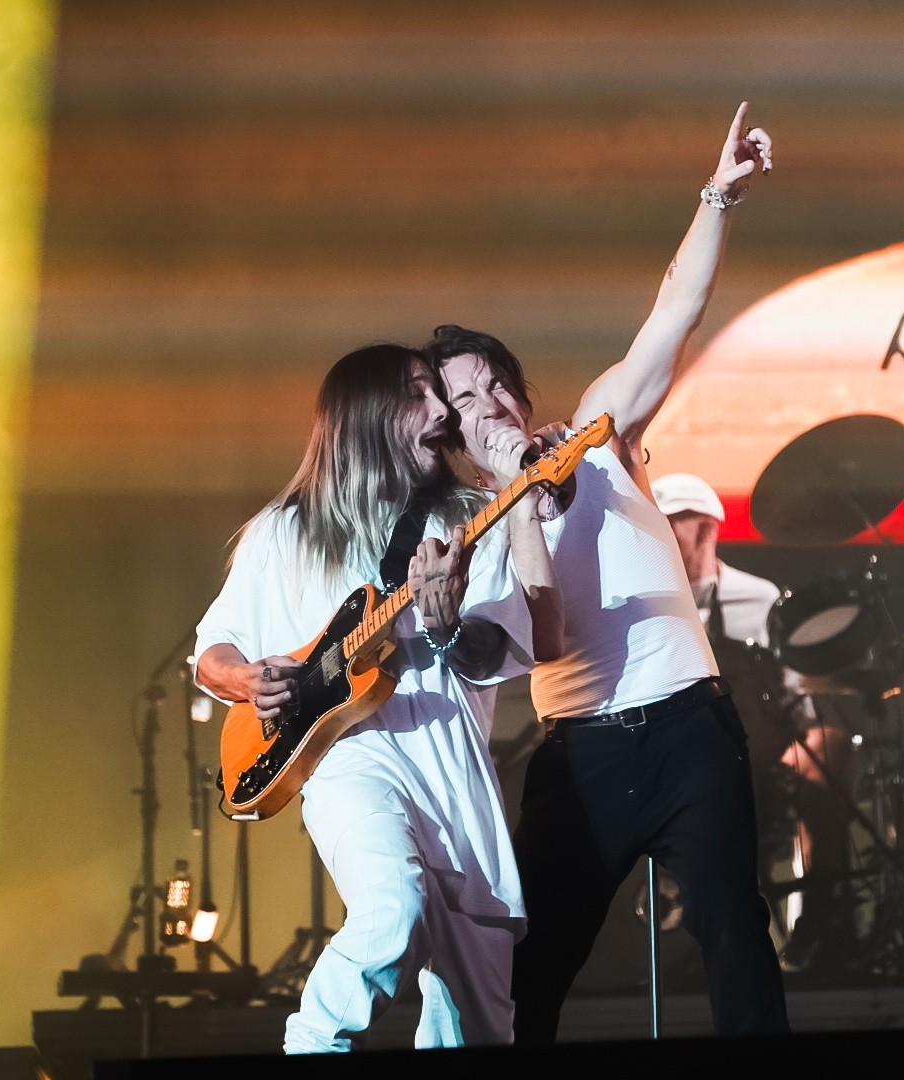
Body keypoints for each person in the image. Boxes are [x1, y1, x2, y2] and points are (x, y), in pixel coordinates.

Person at [430, 102, 789, 1044]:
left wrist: (719, 194)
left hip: (687, 726)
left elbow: (676, 309)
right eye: (464, 401)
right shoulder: (467, 530)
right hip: (582, 752)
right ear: (455, 437)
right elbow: (522, 646)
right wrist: (508, 513)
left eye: (494, 383)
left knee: (734, 930)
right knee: (536, 966)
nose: (488, 404)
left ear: (521, 387)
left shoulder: (596, 431)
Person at [192, 343, 557, 1051]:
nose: (443, 412)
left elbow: (499, 652)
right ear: (367, 416)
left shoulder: (473, 517)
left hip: (453, 771)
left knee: (477, 1023)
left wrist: (446, 623)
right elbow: (215, 649)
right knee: (392, 909)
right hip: (349, 762)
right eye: (421, 394)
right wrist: (245, 680)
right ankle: (313, 1046)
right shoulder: (285, 530)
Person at [649, 471, 856, 978]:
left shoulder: (759, 598)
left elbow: (798, 693)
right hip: (682, 756)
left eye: (672, 522)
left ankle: (823, 921)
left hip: (763, 746)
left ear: (706, 529)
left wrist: (807, 741)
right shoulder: (647, 601)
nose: (659, 534)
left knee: (826, 753)